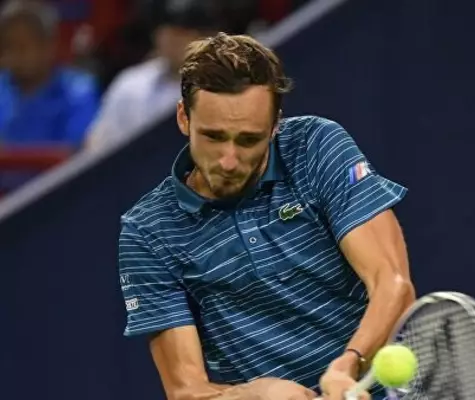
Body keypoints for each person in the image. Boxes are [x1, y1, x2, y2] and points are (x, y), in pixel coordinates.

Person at [118, 32, 415, 400]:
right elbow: (186, 391)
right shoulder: (147, 230)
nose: (228, 161)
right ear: (183, 117)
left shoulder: (315, 146)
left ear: (275, 125)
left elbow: (392, 282)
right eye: (213, 137)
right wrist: (256, 394)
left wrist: (347, 364)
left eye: (248, 140)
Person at [84, 0, 220, 151]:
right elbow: (98, 148)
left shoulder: (225, 87)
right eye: (167, 30)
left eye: (183, 32)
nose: (173, 39)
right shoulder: (131, 83)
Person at [0, 0, 99, 147]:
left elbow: (75, 151)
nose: (13, 55)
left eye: (22, 47)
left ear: (48, 46)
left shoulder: (77, 92)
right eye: (8, 46)